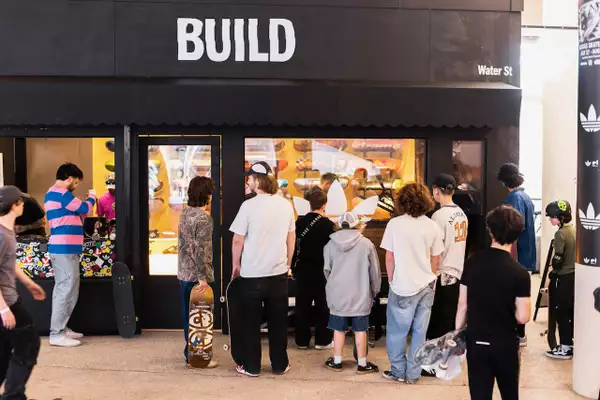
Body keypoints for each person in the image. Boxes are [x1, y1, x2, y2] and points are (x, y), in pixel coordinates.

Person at [456, 205, 531, 400]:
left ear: (490, 231)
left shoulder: (471, 262)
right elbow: (523, 317)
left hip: (476, 341)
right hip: (504, 343)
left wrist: (458, 334)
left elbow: (462, 305)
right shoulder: (520, 273)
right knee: (509, 393)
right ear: (516, 236)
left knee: (479, 394)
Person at [230, 162, 296, 377]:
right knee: (278, 322)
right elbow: (291, 236)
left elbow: (237, 240)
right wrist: (288, 263)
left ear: (258, 180)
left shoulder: (248, 206)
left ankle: (251, 366)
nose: (247, 181)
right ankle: (279, 365)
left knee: (250, 323)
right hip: (278, 274)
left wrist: (235, 265)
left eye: (249, 178)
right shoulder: (285, 204)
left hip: (252, 275)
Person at [381, 183, 443, 384]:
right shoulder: (432, 225)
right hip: (426, 285)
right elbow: (436, 258)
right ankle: (414, 374)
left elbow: (389, 258)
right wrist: (431, 277)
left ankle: (398, 371)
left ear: (402, 202)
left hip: (402, 285)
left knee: (397, 332)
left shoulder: (395, 224)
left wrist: (391, 279)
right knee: (419, 332)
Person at [0, 186, 46, 399]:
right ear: (13, 206)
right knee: (27, 346)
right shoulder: (1, 235)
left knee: (3, 351)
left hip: (8, 301)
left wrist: (29, 284)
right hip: (7, 303)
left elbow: (9, 264)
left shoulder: (7, 231)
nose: (23, 205)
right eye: (21, 202)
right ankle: (13, 396)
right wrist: (3, 309)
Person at [44, 163, 96, 347]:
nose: (76, 185)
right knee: (65, 288)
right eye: (76, 181)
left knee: (70, 288)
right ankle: (56, 333)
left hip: (69, 249)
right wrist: (92, 197)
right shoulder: (60, 193)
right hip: (63, 248)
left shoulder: (59, 195)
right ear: (69, 179)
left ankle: (62, 328)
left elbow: (76, 215)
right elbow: (84, 209)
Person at [323, 211, 381, 374]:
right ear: (357, 225)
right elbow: (374, 273)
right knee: (360, 329)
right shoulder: (367, 244)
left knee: (338, 329)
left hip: (338, 294)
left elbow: (327, 270)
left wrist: (333, 286)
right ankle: (362, 364)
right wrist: (375, 290)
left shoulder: (329, 245)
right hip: (361, 293)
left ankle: (337, 361)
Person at [424, 174, 468, 368]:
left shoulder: (438, 216)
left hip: (443, 272)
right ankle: (449, 357)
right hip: (458, 269)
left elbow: (436, 250)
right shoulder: (461, 214)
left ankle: (436, 361)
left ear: (436, 191)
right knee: (450, 316)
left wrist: (431, 275)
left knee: (438, 318)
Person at [177, 176, 216, 367]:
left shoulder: (185, 213)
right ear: (207, 195)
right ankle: (198, 358)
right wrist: (202, 278)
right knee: (201, 320)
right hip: (197, 277)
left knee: (188, 318)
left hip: (184, 274)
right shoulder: (204, 219)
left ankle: (189, 355)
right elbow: (199, 250)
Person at [497, 163, 535, 347]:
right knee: (521, 295)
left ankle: (517, 335)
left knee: (512, 297)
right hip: (526, 255)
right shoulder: (526, 197)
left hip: (516, 256)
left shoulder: (515, 198)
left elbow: (513, 229)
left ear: (505, 181)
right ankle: (520, 334)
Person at [292, 190, 335, 350]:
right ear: (324, 204)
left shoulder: (299, 223)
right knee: (323, 306)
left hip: (303, 269)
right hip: (322, 271)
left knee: (302, 305)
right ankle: (322, 341)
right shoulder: (328, 225)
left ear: (309, 203)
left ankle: (301, 341)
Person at [544, 200, 575, 360]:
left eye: (552, 217)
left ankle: (564, 347)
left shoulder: (560, 234)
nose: (550, 219)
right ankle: (571, 343)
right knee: (571, 311)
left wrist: (552, 274)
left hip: (563, 278)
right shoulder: (574, 231)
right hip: (574, 277)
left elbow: (557, 260)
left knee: (560, 312)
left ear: (560, 217)